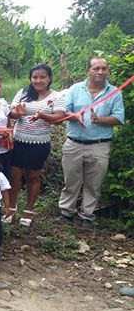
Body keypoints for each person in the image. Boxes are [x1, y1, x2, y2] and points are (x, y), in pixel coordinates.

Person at [57, 57, 124, 228]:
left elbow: (118, 118)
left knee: (94, 183)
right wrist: (74, 115)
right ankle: (66, 212)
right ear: (88, 70)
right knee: (71, 180)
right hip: (74, 143)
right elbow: (65, 110)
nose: (100, 72)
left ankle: (87, 215)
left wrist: (99, 119)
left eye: (104, 68)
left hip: (99, 145)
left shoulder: (114, 92)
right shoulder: (75, 89)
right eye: (96, 68)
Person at [8, 63, 66, 226]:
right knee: (15, 174)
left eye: (42, 77)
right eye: (35, 77)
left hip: (39, 143)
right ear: (30, 78)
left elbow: (60, 119)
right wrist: (16, 113)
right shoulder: (23, 93)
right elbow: (12, 113)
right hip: (18, 140)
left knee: (33, 175)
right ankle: (11, 207)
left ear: (49, 78)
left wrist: (42, 116)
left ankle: (28, 210)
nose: (38, 80)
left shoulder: (56, 96)